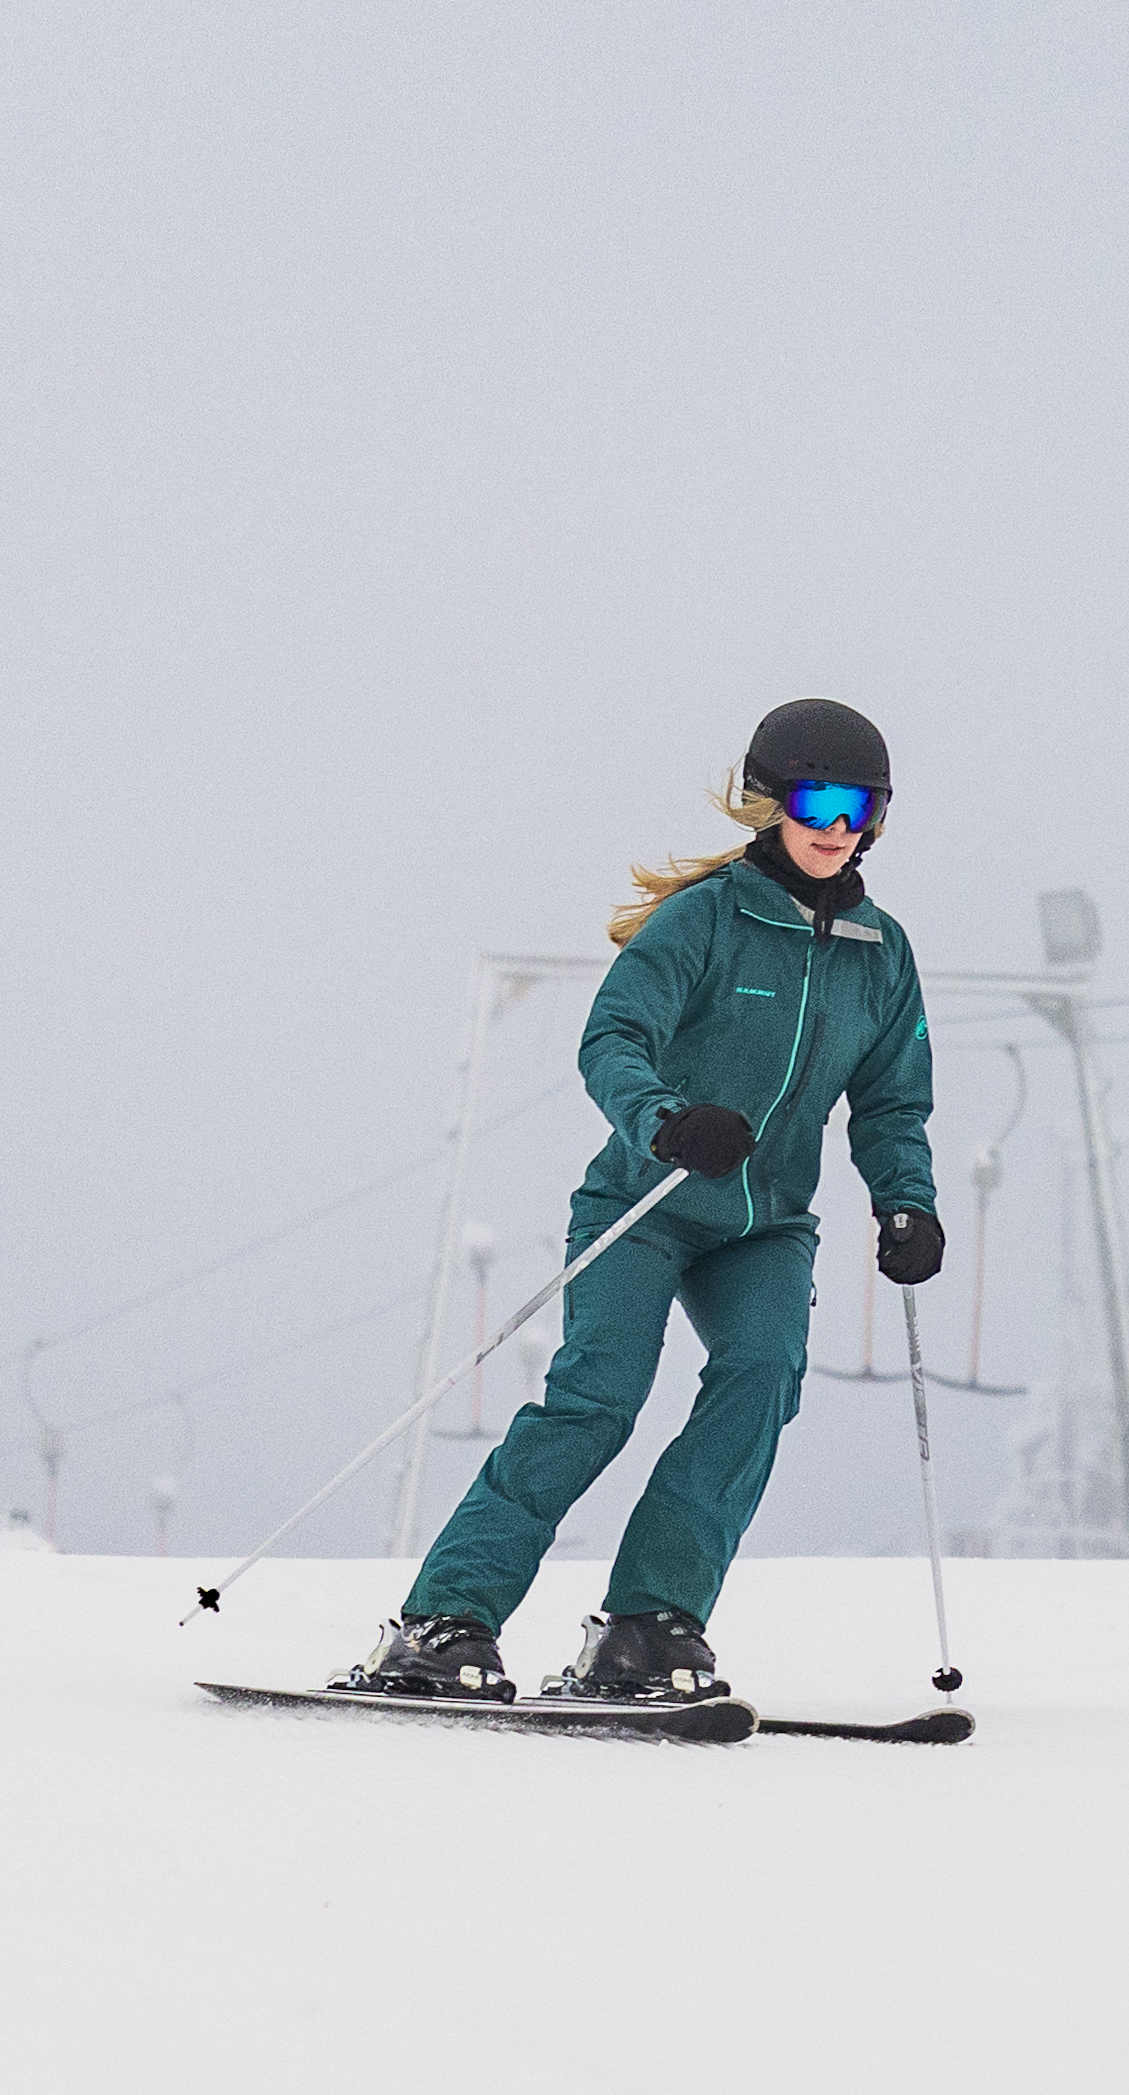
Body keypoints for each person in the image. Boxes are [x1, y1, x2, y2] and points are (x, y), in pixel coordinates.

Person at [333, 701, 941, 1710]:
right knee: (597, 1399)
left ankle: (647, 1625)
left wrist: (906, 1204)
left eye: (861, 805)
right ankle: (446, 1620)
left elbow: (890, 1100)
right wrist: (665, 1120)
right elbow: (611, 1038)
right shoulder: (705, 917)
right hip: (646, 1202)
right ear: (768, 799)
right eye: (814, 798)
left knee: (760, 1380)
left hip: (765, 1225)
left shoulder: (881, 953)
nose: (837, 824)